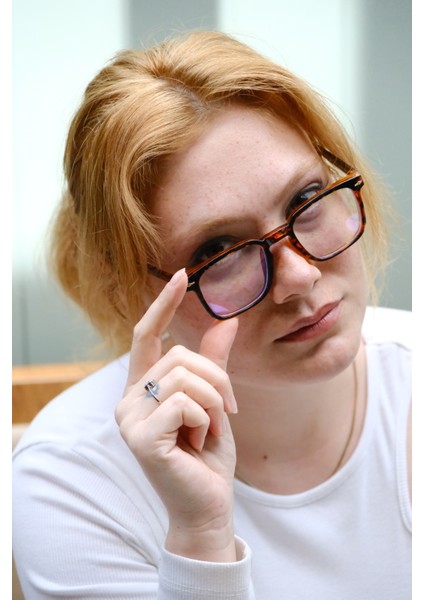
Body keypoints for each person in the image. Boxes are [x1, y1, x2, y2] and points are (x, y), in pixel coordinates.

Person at [12, 30, 411, 599]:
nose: (300, 277)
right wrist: (200, 537)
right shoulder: (73, 480)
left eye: (305, 200)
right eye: (220, 250)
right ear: (131, 291)